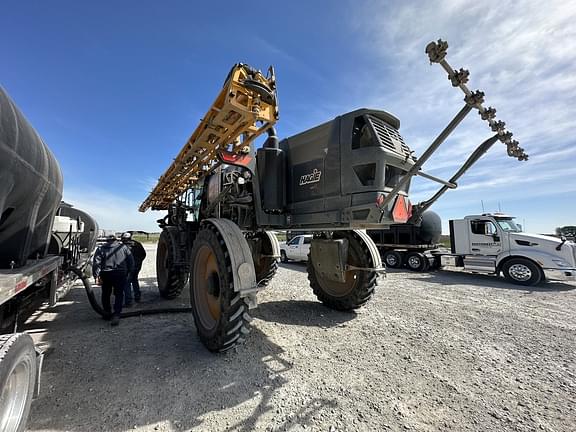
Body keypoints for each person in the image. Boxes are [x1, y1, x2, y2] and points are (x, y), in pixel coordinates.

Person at [92, 234, 134, 326]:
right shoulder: (123, 248)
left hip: (106, 274)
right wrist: (130, 272)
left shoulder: (100, 248)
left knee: (106, 294)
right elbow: (131, 261)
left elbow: (96, 263)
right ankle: (116, 314)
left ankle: (107, 313)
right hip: (120, 274)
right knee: (119, 294)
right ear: (116, 240)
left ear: (107, 240)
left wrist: (96, 276)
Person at [120, 232, 147, 306]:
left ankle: (128, 301)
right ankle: (137, 297)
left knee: (127, 283)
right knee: (135, 280)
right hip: (137, 267)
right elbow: (143, 254)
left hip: (128, 268)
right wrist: (139, 262)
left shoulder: (122, 247)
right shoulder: (138, 244)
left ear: (123, 238)